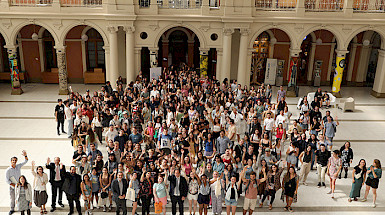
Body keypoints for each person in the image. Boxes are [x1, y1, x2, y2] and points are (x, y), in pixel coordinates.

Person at [6, 150, 28, 215]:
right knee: (12, 198)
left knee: (20, 197)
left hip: (19, 186)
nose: (14, 161)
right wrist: (15, 185)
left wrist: (25, 155)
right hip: (12, 187)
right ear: (11, 161)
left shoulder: (18, 166)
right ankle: (12, 209)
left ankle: (21, 208)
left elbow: (25, 161)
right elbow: (7, 180)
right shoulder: (8, 170)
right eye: (13, 160)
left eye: (15, 160)